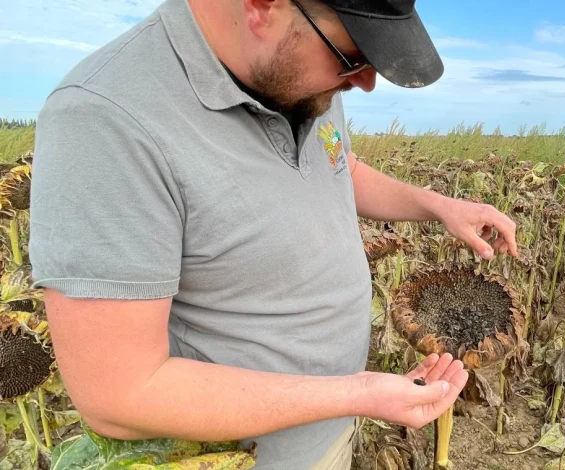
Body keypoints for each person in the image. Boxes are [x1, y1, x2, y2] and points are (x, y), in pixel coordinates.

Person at [28, 0, 519, 468]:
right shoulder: (106, 120)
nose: (365, 82)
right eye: (354, 56)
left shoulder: (302, 74)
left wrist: (440, 206)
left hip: (331, 431)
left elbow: (337, 166)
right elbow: (120, 395)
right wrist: (358, 393)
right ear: (263, 6)